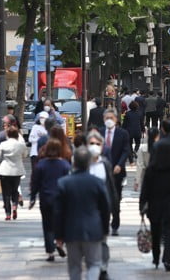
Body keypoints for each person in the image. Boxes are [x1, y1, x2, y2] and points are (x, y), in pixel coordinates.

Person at [54, 147, 110, 280]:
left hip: (71, 231)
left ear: (74, 163)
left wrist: (59, 236)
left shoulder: (63, 183)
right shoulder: (97, 183)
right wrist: (105, 229)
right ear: (89, 163)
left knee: (74, 266)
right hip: (93, 230)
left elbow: (58, 212)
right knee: (94, 264)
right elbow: (105, 208)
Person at [139, 143, 170, 272]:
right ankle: (168, 258)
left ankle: (156, 257)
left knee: (156, 232)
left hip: (155, 205)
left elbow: (145, 190)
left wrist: (142, 204)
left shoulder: (151, 169)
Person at [29, 139, 70, 262]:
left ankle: (50, 252)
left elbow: (35, 183)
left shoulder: (41, 165)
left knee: (47, 225)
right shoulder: (65, 165)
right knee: (61, 223)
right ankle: (60, 243)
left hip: (45, 198)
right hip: (61, 199)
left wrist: (32, 198)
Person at [86, 131, 119, 280]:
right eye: (91, 143)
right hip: (86, 209)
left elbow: (110, 186)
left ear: (102, 146)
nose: (94, 147)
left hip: (102, 208)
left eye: (97, 144)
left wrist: (114, 206)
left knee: (102, 239)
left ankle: (103, 267)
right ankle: (92, 263)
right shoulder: (81, 163)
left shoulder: (105, 163)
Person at [100, 109, 130, 236]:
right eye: (107, 118)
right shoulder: (100, 132)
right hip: (102, 171)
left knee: (116, 198)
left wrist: (119, 164)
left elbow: (126, 150)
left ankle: (115, 224)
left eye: (111, 118)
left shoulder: (122, 133)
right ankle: (104, 223)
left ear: (116, 119)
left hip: (118, 171)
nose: (109, 120)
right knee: (103, 198)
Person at [0, 127, 28, 221]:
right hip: (17, 171)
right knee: (15, 190)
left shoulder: (3, 144)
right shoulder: (21, 145)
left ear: (7, 135)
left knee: (6, 193)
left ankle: (8, 213)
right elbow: (25, 155)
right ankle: (14, 205)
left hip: (5, 170)